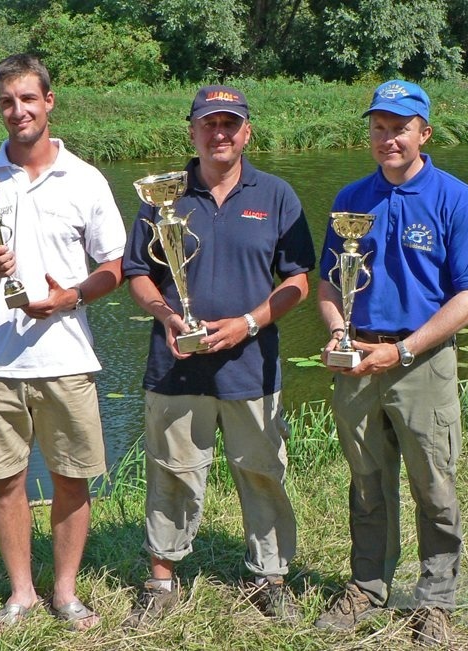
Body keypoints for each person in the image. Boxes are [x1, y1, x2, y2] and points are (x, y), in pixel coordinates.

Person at [0, 53, 126, 636]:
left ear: (49, 101)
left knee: (73, 479)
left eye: (27, 98)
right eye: (6, 101)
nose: (17, 110)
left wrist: (70, 297)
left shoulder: (87, 178)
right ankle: (21, 594)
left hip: (67, 356)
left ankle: (66, 593)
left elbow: (114, 267)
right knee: (7, 479)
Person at [122, 85, 316, 625]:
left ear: (247, 132)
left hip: (252, 364)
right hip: (176, 365)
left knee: (261, 470)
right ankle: (161, 579)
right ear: (193, 131)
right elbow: (137, 273)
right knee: (172, 469)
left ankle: (269, 576)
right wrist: (166, 317)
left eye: (230, 123)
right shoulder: (162, 194)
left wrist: (250, 322)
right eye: (209, 123)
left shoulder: (276, 195)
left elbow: (298, 279)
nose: (220, 133)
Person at [316, 80, 468, 646]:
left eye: (400, 128)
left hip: (423, 361)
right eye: (379, 127)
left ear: (424, 133)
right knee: (367, 484)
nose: (388, 138)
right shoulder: (351, 199)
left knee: (434, 484)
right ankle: (367, 588)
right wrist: (340, 333)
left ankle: (436, 599)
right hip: (359, 359)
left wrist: (406, 348)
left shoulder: (456, 198)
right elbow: (327, 284)